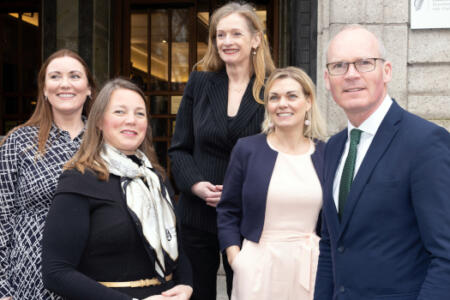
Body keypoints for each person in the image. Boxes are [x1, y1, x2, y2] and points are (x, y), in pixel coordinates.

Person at [314, 25, 450, 300]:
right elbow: (331, 245)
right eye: (339, 66)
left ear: (386, 71)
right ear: (328, 80)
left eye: (364, 63)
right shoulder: (334, 148)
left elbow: (445, 254)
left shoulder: (425, 142)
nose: (352, 74)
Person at [41, 78, 193, 300]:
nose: (131, 120)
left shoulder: (155, 177)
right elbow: (56, 273)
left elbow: (177, 244)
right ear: (99, 122)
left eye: (140, 114)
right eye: (120, 112)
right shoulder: (79, 180)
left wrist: (186, 284)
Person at [168, 2, 275, 299]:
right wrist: (197, 186)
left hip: (249, 215)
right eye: (220, 34)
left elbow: (280, 153)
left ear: (255, 39)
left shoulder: (272, 88)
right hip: (197, 214)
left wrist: (239, 191)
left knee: (245, 293)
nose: (226, 41)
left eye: (236, 34)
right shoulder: (200, 83)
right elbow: (179, 148)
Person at [217, 67, 327, 300]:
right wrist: (235, 258)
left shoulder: (325, 153)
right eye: (274, 97)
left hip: (310, 267)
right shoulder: (247, 149)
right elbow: (227, 209)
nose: (282, 104)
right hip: (257, 266)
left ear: (308, 102)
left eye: (292, 96)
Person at [0, 49, 95, 299]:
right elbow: (2, 215)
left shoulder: (105, 143)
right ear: (44, 88)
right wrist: (3, 288)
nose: (65, 84)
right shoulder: (18, 142)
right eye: (55, 77)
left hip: (93, 274)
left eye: (74, 76)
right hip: (30, 275)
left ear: (89, 88)